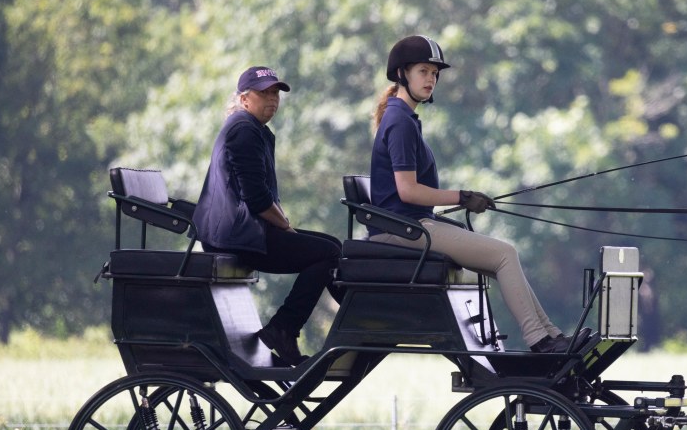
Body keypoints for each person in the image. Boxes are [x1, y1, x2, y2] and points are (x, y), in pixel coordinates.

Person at [368, 36, 578, 354]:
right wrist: (462, 197)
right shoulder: (399, 122)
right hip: (403, 231)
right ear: (402, 74)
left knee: (500, 258)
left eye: (435, 75)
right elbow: (407, 191)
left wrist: (459, 200)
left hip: (413, 225)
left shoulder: (405, 118)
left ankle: (550, 335)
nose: (431, 80)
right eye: (423, 71)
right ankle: (541, 340)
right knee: (505, 253)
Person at [193, 66, 343, 366]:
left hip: (240, 233)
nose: (272, 99)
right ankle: (284, 329)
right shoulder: (244, 130)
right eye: (264, 93)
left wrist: (287, 227)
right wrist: (286, 226)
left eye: (275, 93)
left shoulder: (253, 129)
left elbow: (263, 197)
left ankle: (318, 319)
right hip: (235, 238)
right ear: (245, 98)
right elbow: (259, 200)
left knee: (331, 246)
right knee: (327, 252)